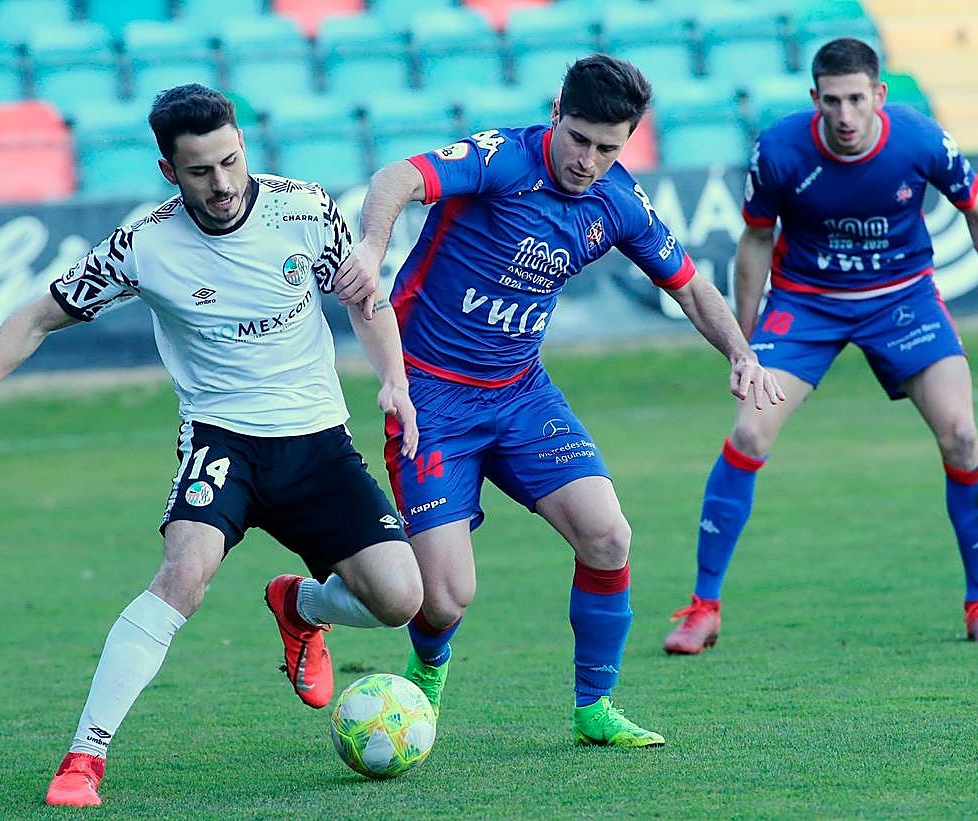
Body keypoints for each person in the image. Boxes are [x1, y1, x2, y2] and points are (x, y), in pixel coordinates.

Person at [0, 84, 425, 807]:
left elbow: (364, 301)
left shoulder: (306, 210)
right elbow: (35, 317)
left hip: (317, 441)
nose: (222, 184)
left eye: (230, 161)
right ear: (169, 171)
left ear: (243, 146)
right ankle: (84, 757)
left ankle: (302, 605)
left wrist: (395, 381)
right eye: (199, 171)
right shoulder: (144, 245)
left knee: (400, 599)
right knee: (183, 575)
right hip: (223, 440)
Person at [331, 54, 785, 747]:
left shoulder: (618, 202)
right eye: (579, 139)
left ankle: (594, 707)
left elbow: (691, 287)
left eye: (609, 148)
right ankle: (426, 673)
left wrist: (741, 353)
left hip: (521, 394)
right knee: (445, 596)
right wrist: (370, 246)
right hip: (431, 396)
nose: (588, 161)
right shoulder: (501, 160)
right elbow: (398, 177)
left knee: (608, 536)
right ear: (555, 114)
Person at [662, 38, 978, 654]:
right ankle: (703, 608)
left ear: (879, 94)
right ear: (814, 98)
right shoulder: (779, 149)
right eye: (832, 101)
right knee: (748, 434)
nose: (845, 115)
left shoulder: (921, 139)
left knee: (962, 435)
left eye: (856, 99)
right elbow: (755, 238)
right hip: (806, 305)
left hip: (902, 300)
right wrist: (742, 345)